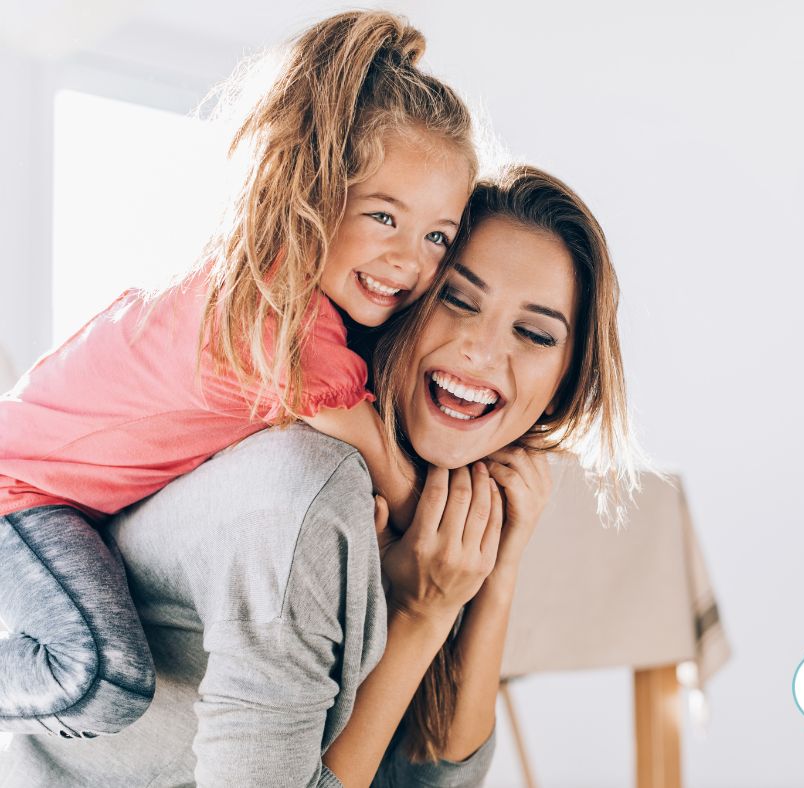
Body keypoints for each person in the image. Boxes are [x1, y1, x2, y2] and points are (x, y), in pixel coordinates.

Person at [0, 165, 643, 786]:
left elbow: (429, 779)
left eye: (534, 333)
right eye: (456, 299)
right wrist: (420, 613)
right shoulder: (311, 484)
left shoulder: (434, 495)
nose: (483, 349)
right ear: (405, 297)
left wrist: (494, 573)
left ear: (563, 386)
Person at [0, 10, 474, 739]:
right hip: (17, 493)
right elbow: (389, 473)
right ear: (315, 190)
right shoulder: (277, 316)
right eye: (384, 217)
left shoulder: (280, 298)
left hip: (48, 489)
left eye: (438, 235)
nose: (411, 260)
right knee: (102, 677)